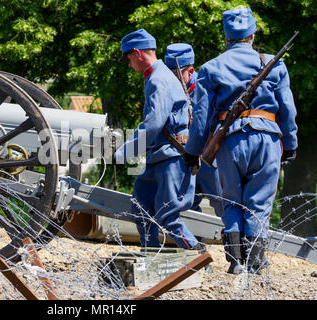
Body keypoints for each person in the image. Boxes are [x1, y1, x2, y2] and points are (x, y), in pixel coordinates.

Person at [182, 8, 298, 274]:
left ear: (227, 37)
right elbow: (288, 110)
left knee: (232, 201)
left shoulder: (210, 68)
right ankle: (256, 262)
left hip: (230, 141)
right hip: (267, 140)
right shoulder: (274, 63)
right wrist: (290, 143)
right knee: (259, 203)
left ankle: (236, 263)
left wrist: (193, 151)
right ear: (253, 35)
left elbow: (201, 118)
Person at [114, 29, 203, 251]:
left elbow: (153, 124)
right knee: (141, 206)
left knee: (167, 214)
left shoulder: (158, 78)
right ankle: (151, 254)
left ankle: (197, 254)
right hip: (161, 156)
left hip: (173, 156)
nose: (129, 64)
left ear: (137, 53)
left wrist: (124, 152)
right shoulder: (158, 75)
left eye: (128, 58)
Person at [164, 43, 224, 218]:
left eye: (177, 74)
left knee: (222, 203)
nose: (173, 79)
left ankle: (238, 243)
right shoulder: (167, 90)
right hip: (183, 158)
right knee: (186, 207)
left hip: (208, 158)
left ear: (190, 71)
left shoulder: (206, 87)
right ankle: (195, 245)